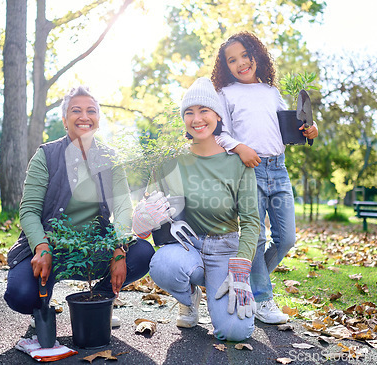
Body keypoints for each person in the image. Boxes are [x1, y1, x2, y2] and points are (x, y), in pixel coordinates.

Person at [4, 85, 155, 331]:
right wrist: (41, 246)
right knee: (20, 294)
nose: (84, 117)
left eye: (91, 111)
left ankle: (101, 300)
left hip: (95, 247)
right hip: (50, 247)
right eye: (76, 111)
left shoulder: (111, 159)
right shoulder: (46, 155)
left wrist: (118, 248)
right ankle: (41, 302)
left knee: (143, 253)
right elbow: (29, 211)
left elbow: (124, 208)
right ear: (65, 120)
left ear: (98, 120)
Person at [132, 77, 261, 342]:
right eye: (189, 112)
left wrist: (242, 266)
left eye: (204, 110)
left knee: (236, 332)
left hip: (226, 250)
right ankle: (189, 297)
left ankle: (222, 287)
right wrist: (141, 220)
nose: (197, 118)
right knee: (164, 266)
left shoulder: (238, 163)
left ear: (217, 116)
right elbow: (150, 210)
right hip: (185, 246)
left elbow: (251, 222)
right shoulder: (169, 162)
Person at [211, 31, 318, 324]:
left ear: (257, 55)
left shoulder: (271, 92)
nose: (241, 63)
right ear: (226, 67)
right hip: (248, 171)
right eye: (233, 60)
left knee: (286, 238)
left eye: (245, 55)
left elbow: (290, 126)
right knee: (256, 238)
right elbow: (220, 133)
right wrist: (240, 147)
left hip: (278, 168)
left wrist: (310, 128)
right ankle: (262, 298)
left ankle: (246, 278)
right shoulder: (226, 94)